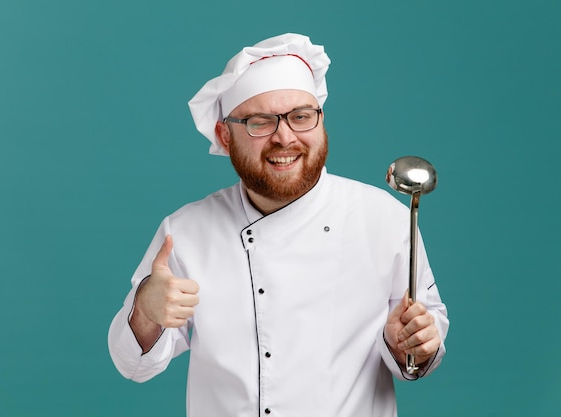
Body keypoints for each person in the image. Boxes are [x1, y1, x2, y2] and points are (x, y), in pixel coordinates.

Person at [108, 33, 449, 417]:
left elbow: (420, 347)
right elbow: (132, 365)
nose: (285, 137)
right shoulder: (186, 232)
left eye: (301, 116)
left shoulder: (383, 218)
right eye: (260, 122)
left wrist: (411, 345)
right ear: (225, 134)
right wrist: (146, 310)